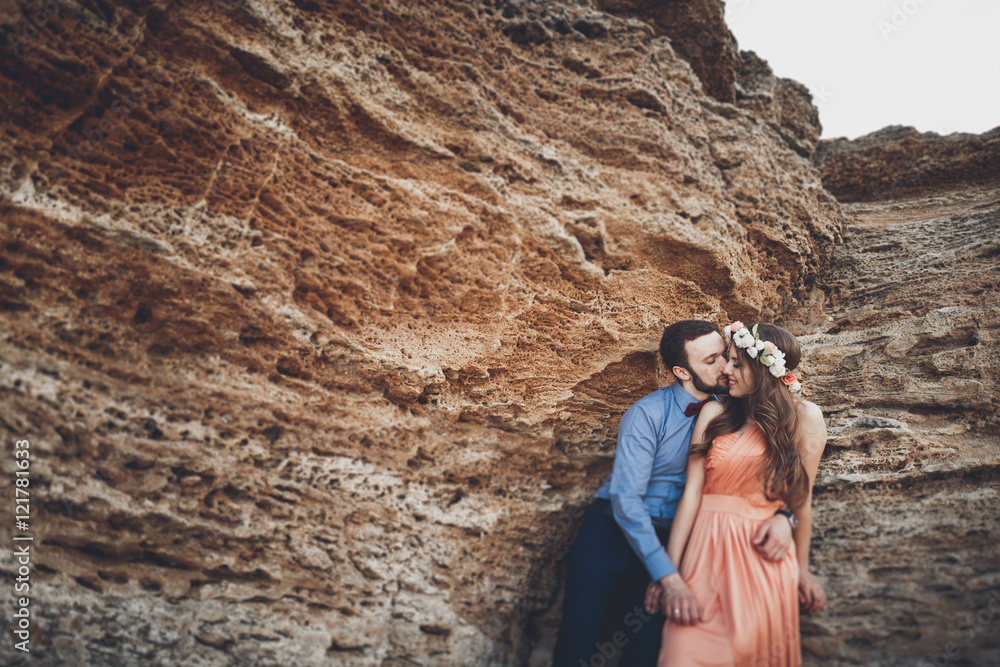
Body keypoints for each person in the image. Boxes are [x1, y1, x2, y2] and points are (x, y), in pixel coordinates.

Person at [552, 321, 798, 667]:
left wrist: (786, 516)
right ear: (682, 372)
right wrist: (669, 577)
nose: (725, 367)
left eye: (725, 355)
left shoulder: (738, 410)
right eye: (711, 361)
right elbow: (626, 501)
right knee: (578, 644)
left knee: (646, 653)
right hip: (613, 535)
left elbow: (777, 473)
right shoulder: (646, 414)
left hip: (676, 540)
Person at [649, 322, 828, 667]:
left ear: (764, 370)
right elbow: (692, 495)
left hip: (762, 560)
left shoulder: (804, 417)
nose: (726, 370)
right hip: (704, 555)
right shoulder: (714, 412)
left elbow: (801, 498)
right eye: (727, 360)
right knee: (680, 654)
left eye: (737, 363)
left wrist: (803, 568)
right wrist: (667, 574)